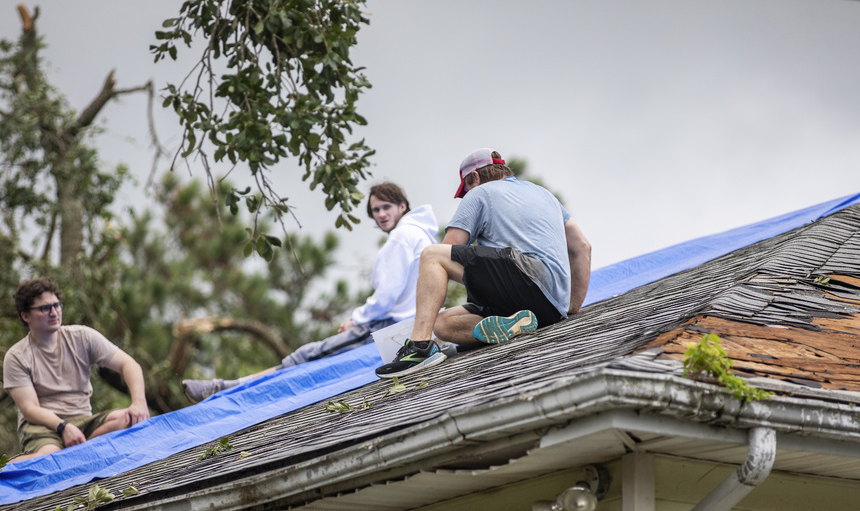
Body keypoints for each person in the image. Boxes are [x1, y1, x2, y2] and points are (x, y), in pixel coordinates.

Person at [182, 182, 438, 402]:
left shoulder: (401, 237)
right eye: (375, 210)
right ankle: (229, 385)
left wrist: (356, 320)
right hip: (413, 323)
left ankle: (226, 388)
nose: (381, 214)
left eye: (386, 207)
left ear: (402, 206)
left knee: (307, 357)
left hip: (387, 324)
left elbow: (386, 296)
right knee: (310, 357)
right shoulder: (421, 235)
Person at [374, 148, 591, 378]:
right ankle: (508, 326)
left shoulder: (480, 193)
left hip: (524, 279)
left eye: (466, 187)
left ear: (474, 178)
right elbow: (582, 247)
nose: (467, 193)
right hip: (548, 309)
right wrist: (571, 307)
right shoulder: (545, 194)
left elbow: (448, 251)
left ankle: (419, 347)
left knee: (432, 255)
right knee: (442, 324)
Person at [3, 278, 150, 462]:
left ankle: (80, 453)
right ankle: (0, 471)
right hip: (43, 427)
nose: (54, 312)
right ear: (26, 316)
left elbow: (129, 365)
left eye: (57, 305)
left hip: (83, 420)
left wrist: (139, 403)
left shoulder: (82, 336)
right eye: (44, 308)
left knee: (129, 420)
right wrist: (63, 427)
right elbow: (30, 409)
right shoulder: (16, 356)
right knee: (49, 459)